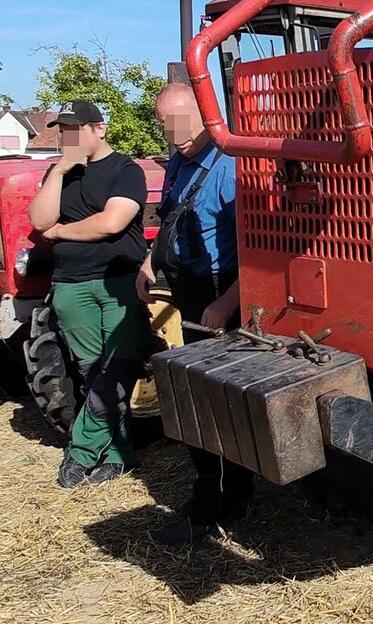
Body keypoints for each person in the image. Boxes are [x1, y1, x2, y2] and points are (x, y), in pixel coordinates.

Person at [140, 81, 253, 544]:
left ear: (208, 113)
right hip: (189, 292)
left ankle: (214, 506)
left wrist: (226, 304)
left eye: (183, 122)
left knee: (214, 406)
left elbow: (260, 249)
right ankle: (226, 496)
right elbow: (172, 216)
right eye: (167, 126)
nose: (176, 133)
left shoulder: (232, 166)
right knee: (198, 397)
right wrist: (148, 265)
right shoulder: (179, 163)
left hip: (220, 295)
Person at [27, 100, 148, 487]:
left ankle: (79, 452)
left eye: (75, 129)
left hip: (118, 282)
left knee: (116, 369)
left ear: (99, 129)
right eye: (63, 131)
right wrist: (62, 169)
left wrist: (62, 232)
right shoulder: (58, 172)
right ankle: (118, 454)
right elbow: (39, 220)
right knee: (90, 371)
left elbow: (111, 223)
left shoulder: (126, 170)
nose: (69, 138)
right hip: (70, 285)